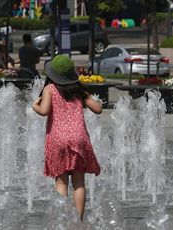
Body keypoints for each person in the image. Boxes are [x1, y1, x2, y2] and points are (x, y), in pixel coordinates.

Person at [32, 55, 102, 222]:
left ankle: (62, 221)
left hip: (58, 139)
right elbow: (98, 109)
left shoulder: (50, 89)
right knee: (79, 183)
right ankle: (79, 221)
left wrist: (34, 105)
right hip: (79, 138)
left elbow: (44, 111)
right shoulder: (79, 89)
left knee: (61, 183)